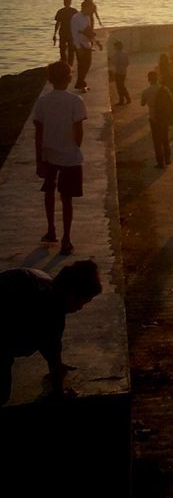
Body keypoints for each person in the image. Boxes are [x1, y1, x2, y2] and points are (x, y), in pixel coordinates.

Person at [0, 259, 102, 405]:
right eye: (82, 302)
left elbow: (48, 341)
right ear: (72, 295)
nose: (80, 308)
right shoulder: (50, 309)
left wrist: (57, 366)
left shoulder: (52, 289)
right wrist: (59, 391)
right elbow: (50, 344)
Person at [33, 60, 87, 253]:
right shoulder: (75, 101)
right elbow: (78, 131)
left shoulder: (43, 102)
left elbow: (38, 133)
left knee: (49, 192)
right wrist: (73, 147)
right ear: (70, 78)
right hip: (70, 156)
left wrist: (39, 159)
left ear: (49, 79)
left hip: (48, 154)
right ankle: (66, 238)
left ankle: (51, 230)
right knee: (67, 199)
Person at [141, 70, 173, 168]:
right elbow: (172, 101)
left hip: (154, 117)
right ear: (157, 78)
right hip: (164, 117)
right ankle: (167, 158)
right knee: (165, 139)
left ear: (148, 79)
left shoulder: (146, 91)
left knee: (157, 141)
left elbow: (142, 103)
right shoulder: (165, 89)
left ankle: (160, 162)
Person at [70, 1, 95, 91]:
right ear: (86, 7)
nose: (92, 11)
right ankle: (80, 84)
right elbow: (87, 31)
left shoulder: (87, 17)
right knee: (82, 65)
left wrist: (92, 40)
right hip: (79, 45)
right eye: (91, 9)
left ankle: (81, 83)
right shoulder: (77, 17)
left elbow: (88, 32)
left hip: (86, 44)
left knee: (87, 64)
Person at [52, 0, 77, 66]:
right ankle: (68, 66)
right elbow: (58, 23)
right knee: (68, 50)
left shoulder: (62, 11)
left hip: (66, 33)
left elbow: (57, 23)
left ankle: (66, 66)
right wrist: (54, 34)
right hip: (67, 33)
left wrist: (54, 34)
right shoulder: (73, 11)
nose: (66, 2)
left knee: (64, 50)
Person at [110, 40, 131, 105]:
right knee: (122, 86)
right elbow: (127, 63)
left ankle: (123, 99)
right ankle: (127, 98)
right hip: (124, 71)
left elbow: (115, 63)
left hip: (118, 72)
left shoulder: (116, 55)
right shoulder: (125, 54)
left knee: (119, 87)